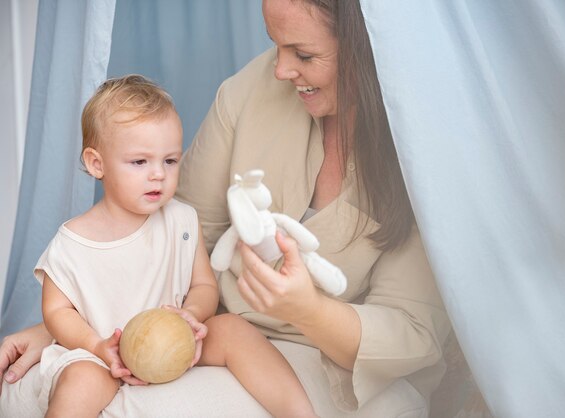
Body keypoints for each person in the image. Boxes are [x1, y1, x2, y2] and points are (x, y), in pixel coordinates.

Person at [0, 0, 451, 416]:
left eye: (304, 54)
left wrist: (307, 309)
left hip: (329, 356)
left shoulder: (425, 148)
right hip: (201, 329)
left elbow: (414, 333)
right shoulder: (249, 91)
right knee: (21, 392)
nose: (279, 70)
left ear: (366, 48)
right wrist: (76, 331)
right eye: (275, 45)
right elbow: (174, 243)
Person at [28, 74, 316, 418]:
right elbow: (57, 312)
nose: (158, 175)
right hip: (104, 354)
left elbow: (203, 285)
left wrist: (191, 316)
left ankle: (300, 413)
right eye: (140, 162)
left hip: (175, 343)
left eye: (170, 160)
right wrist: (97, 346)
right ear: (96, 163)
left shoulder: (181, 220)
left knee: (234, 329)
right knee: (80, 380)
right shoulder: (72, 242)